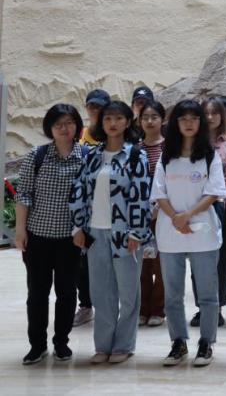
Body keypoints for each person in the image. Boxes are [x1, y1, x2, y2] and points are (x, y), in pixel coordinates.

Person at [69, 100, 152, 364]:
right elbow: (79, 192)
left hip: (124, 233)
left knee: (128, 293)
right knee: (101, 292)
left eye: (118, 118)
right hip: (95, 232)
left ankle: (124, 345)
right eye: (107, 118)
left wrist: (136, 232)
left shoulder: (136, 155)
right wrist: (78, 227)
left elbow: (141, 196)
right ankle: (103, 345)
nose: (112, 123)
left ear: (128, 122)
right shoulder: (91, 155)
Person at [152, 99, 226, 367]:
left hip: (203, 233)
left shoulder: (210, 156)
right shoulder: (165, 156)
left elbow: (214, 193)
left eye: (194, 118)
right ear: (175, 123)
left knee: (207, 294)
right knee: (173, 295)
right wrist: (176, 217)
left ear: (201, 122)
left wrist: (187, 215)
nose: (188, 123)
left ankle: (206, 343)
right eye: (183, 118)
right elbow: (158, 193)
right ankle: (178, 342)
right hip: (170, 232)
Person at [15, 104, 86, 365]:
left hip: (71, 239)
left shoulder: (87, 156)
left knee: (67, 293)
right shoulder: (38, 155)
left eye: (69, 123)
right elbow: (24, 194)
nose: (64, 128)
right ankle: (37, 345)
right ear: (50, 128)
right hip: (38, 237)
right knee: (37, 294)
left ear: (77, 125)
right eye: (58, 124)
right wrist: (20, 230)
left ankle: (61, 343)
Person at [74, 89, 110, 329]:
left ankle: (110, 305)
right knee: (82, 261)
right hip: (85, 209)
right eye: (91, 106)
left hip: (108, 208)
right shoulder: (81, 134)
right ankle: (86, 305)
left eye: (99, 107)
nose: (94, 111)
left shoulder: (114, 135)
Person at [200, 96, 226, 324]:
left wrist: (220, 194)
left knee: (222, 259)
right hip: (196, 207)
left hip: (224, 206)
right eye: (206, 112)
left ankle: (218, 307)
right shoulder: (193, 142)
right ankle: (202, 307)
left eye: (215, 113)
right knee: (199, 260)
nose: (210, 117)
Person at [137, 99, 167, 328]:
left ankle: (158, 308)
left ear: (162, 119)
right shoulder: (134, 149)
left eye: (154, 117)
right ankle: (142, 308)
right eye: (145, 117)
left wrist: (159, 207)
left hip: (164, 214)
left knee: (162, 264)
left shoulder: (170, 148)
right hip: (138, 216)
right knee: (141, 264)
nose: (149, 121)